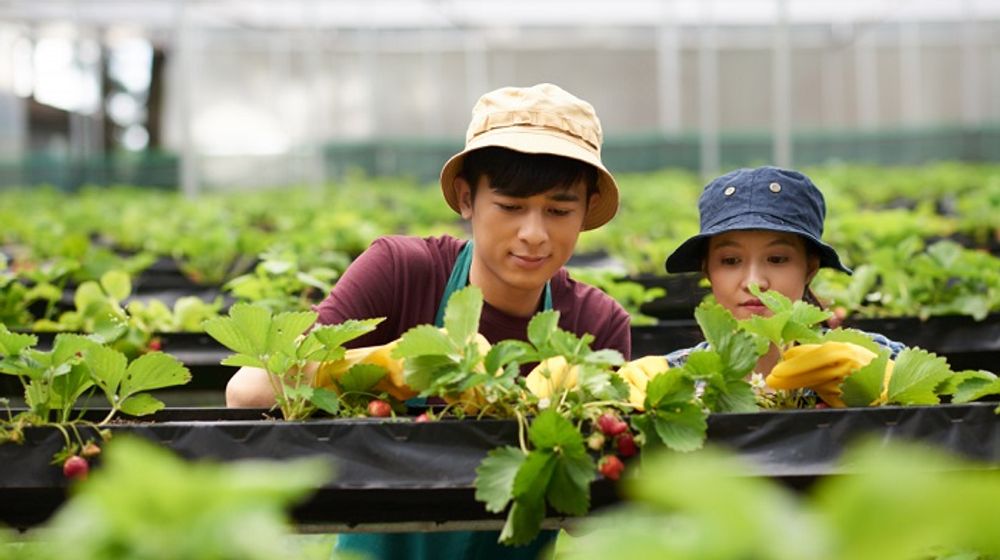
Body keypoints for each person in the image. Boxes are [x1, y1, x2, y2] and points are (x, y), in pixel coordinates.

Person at [226, 83, 631, 559]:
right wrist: (390, 363)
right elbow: (247, 390)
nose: (534, 234)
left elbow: (594, 518)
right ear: (466, 199)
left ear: (585, 212)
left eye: (559, 211)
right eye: (510, 207)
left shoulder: (595, 324)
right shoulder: (401, 271)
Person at [661, 166, 904, 375]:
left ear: (810, 268)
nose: (754, 282)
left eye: (776, 259)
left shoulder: (877, 360)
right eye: (731, 261)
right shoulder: (676, 380)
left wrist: (875, 383)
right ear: (708, 271)